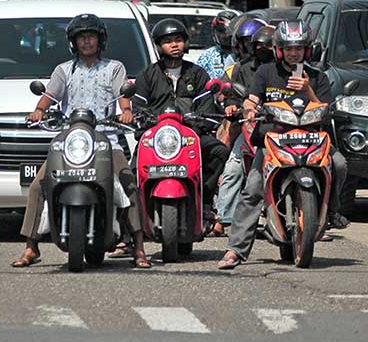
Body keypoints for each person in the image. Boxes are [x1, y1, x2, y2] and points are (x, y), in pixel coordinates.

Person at [11, 13, 150, 269]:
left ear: (100, 40)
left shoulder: (114, 68)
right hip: (70, 139)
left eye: (91, 36)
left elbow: (123, 96)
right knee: (38, 185)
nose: (86, 41)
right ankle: (31, 246)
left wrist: (126, 111)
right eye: (81, 37)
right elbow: (50, 96)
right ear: (74, 42)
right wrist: (39, 110)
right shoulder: (64, 70)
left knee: (129, 183)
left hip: (106, 138)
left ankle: (139, 247)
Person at [218, 20, 349, 270]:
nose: (294, 52)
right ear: (279, 50)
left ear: (307, 50)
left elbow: (325, 109)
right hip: (273, 140)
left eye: (299, 48)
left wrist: (308, 89)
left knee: (340, 163)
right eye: (288, 48)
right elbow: (252, 99)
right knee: (254, 188)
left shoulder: (317, 77)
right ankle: (235, 250)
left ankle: (331, 211)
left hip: (311, 139)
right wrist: (248, 109)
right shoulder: (266, 72)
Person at [124, 18, 230, 220]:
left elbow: (207, 106)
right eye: (168, 41)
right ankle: (132, 227)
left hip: (190, 135)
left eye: (178, 39)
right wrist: (144, 120)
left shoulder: (198, 73)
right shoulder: (147, 75)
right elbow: (138, 107)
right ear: (158, 46)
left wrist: (196, 123)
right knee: (133, 170)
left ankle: (204, 202)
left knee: (219, 151)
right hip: (156, 136)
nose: (174, 45)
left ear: (186, 43)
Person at [212, 24, 276, 237]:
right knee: (232, 168)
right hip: (250, 126)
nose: (261, 49)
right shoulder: (241, 68)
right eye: (255, 45)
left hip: (283, 129)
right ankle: (223, 218)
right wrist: (231, 105)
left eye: (268, 45)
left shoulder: (289, 70)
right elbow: (231, 95)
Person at [196, 9, 239, 80]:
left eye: (231, 34)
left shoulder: (244, 54)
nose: (227, 36)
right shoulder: (207, 56)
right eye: (223, 33)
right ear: (214, 33)